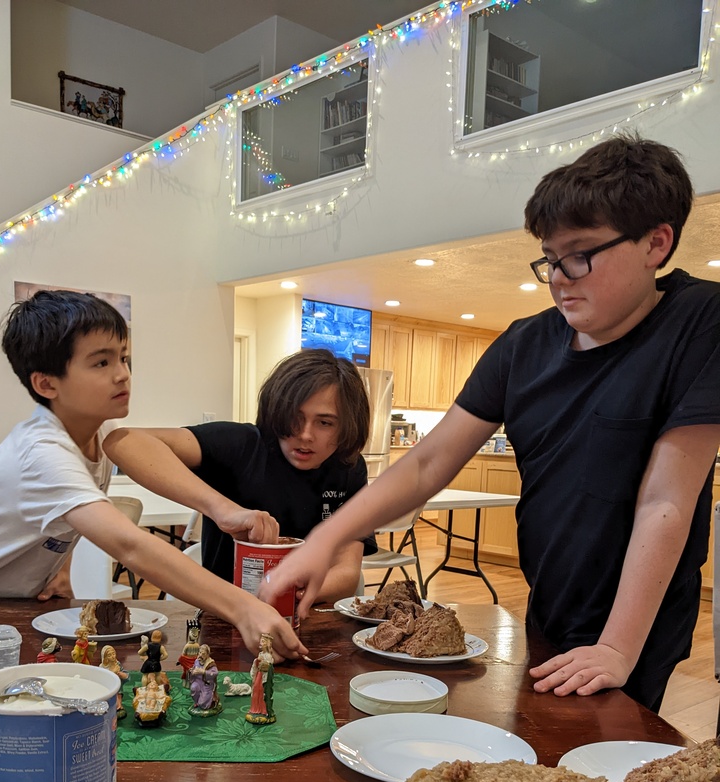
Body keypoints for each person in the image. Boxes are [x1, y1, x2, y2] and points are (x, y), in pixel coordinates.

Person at [262, 134, 720, 713]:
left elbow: (666, 502)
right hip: (551, 601)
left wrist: (616, 647)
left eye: (580, 255)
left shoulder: (701, 322)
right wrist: (325, 541)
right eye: (549, 259)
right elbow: (429, 461)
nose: (558, 277)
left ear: (657, 242)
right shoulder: (523, 344)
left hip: (640, 620)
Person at [0, 289, 306, 662]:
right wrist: (243, 608)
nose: (123, 375)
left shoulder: (97, 434)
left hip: (1, 607)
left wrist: (61, 568)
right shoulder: (41, 452)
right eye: (101, 363)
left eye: (124, 358)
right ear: (46, 383)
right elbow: (131, 546)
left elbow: (63, 520)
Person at [102, 348, 376, 603]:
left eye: (324, 423)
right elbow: (123, 442)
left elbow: (347, 572)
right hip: (225, 613)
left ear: (346, 427)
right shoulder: (243, 445)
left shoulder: (348, 469)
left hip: (306, 611)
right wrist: (222, 509)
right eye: (294, 417)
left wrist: (283, 593)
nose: (305, 435)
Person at [246, 633, 275, 724]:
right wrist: (257, 661)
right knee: (256, 691)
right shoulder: (260, 653)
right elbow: (257, 664)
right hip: (258, 675)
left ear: (266, 644)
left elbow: (268, 667)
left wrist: (263, 662)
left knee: (262, 692)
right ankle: (255, 709)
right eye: (261, 641)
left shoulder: (269, 656)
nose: (260, 643)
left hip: (263, 677)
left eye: (262, 641)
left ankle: (264, 710)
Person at [189, 644, 221, 715]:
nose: (200, 655)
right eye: (200, 652)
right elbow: (194, 668)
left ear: (207, 655)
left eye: (203, 654)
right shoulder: (197, 661)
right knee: (193, 688)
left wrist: (204, 672)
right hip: (198, 682)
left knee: (203, 704)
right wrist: (192, 671)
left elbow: (215, 673)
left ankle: (211, 702)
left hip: (206, 684)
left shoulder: (210, 664)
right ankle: (197, 702)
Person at [100, 644, 129, 719]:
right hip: (108, 689)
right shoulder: (102, 668)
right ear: (105, 658)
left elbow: (126, 675)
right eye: (109, 655)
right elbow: (102, 679)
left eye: (113, 653)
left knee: (118, 698)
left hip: (118, 689)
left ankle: (119, 708)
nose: (113, 656)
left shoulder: (117, 664)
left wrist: (122, 675)